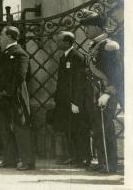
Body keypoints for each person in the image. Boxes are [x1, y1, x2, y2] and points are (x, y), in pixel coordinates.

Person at [80, 9, 123, 173]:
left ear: (97, 27)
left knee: (105, 129)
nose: (85, 31)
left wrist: (108, 92)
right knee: (97, 129)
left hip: (105, 93)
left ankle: (110, 164)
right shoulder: (95, 45)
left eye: (88, 26)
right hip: (94, 93)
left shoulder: (109, 45)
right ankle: (102, 161)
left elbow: (116, 72)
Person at [0, 26, 35, 171]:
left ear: (9, 37)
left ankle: (27, 161)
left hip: (15, 95)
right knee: (5, 128)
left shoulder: (19, 53)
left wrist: (6, 91)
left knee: (20, 127)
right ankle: (9, 159)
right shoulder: (5, 53)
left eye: (1, 35)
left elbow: (21, 76)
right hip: (4, 96)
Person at [53, 31, 90, 167]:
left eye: (59, 40)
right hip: (65, 102)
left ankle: (84, 158)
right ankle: (75, 157)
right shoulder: (64, 57)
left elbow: (79, 82)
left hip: (74, 102)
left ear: (67, 42)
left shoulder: (76, 57)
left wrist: (76, 102)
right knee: (70, 129)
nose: (56, 43)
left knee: (79, 130)